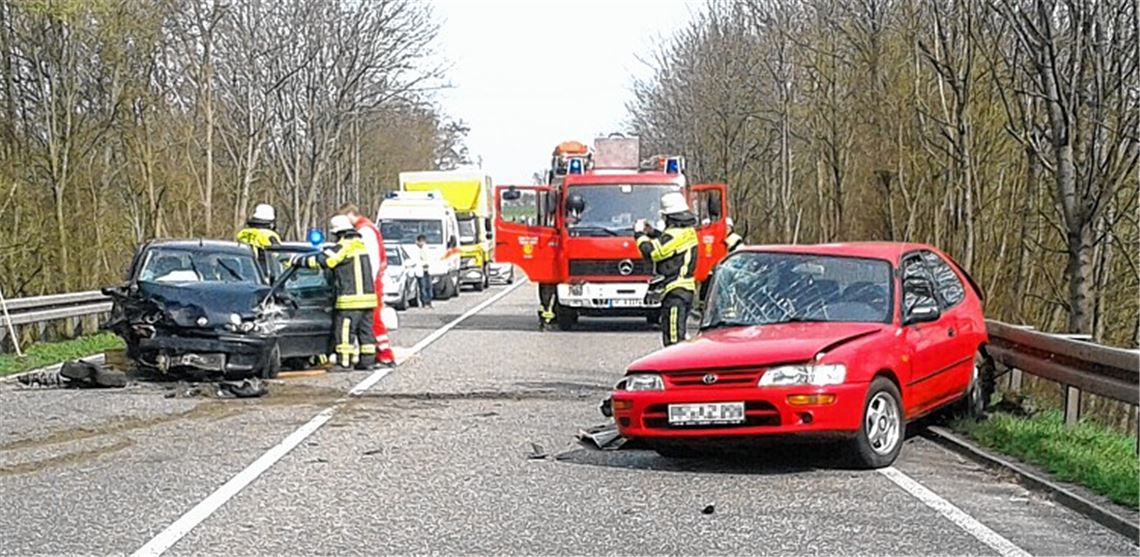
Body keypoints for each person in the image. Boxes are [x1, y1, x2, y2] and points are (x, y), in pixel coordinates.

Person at [291, 215, 382, 372]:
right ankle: (368, 361)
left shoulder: (344, 246)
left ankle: (344, 363)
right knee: (365, 331)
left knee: (345, 332)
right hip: (368, 299)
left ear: (339, 233)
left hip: (351, 299)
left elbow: (326, 261)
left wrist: (298, 261)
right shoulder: (360, 245)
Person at [636, 191, 699, 347]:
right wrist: (652, 233)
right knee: (679, 334)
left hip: (675, 291)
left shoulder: (676, 234)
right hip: (684, 290)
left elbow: (653, 252)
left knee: (673, 339)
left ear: (669, 217)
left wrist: (639, 235)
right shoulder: (687, 232)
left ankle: (677, 370)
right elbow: (668, 245)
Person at [339, 203, 395, 366]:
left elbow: (371, 261)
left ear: (350, 214)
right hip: (372, 282)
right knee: (370, 321)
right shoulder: (367, 228)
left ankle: (385, 354)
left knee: (374, 320)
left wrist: (366, 283)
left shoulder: (365, 231)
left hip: (371, 282)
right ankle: (379, 354)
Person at [236, 203, 281, 276]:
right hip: (264, 274)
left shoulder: (244, 234)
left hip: (243, 274)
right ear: (271, 223)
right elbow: (278, 257)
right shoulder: (269, 235)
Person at [408, 234, 433, 309]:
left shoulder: (427, 249)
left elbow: (431, 259)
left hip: (427, 270)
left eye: (423, 241)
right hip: (420, 271)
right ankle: (424, 302)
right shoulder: (414, 250)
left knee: (429, 286)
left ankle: (429, 302)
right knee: (423, 287)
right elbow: (415, 261)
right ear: (417, 242)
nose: (422, 243)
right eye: (421, 241)